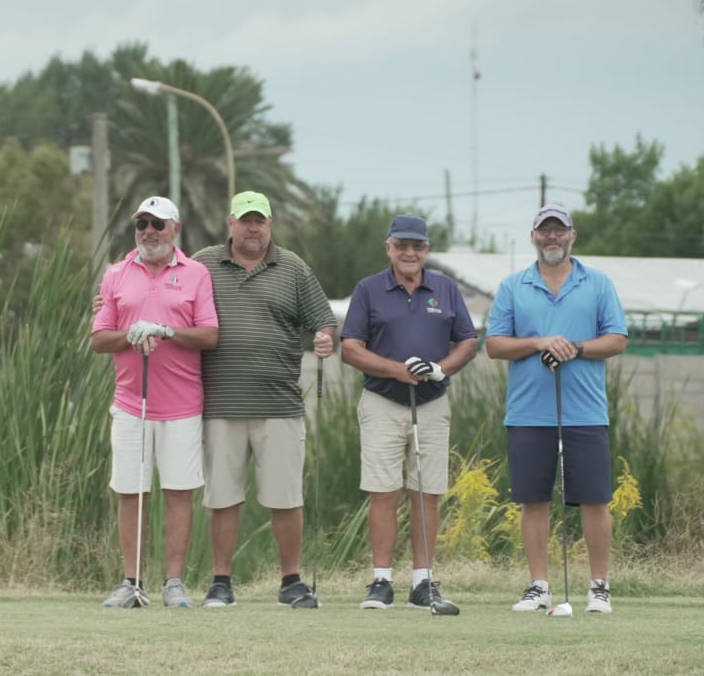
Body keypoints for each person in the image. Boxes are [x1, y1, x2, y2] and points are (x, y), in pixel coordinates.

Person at [191, 190, 336, 608]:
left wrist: (325, 337)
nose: (252, 228)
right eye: (245, 220)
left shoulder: (293, 268)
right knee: (223, 497)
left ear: (270, 224)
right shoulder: (202, 264)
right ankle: (221, 582)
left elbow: (323, 320)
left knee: (285, 497)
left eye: (260, 221)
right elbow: (168, 296)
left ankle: (291, 581)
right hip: (220, 403)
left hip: (279, 404)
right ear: (230, 223)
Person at [484, 204, 628, 614]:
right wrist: (539, 342)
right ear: (533, 237)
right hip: (528, 412)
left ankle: (599, 587)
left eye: (559, 230)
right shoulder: (513, 286)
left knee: (595, 499)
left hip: (585, 411)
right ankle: (540, 586)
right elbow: (494, 344)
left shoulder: (598, 283)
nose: (552, 237)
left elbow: (617, 339)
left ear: (572, 236)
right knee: (534, 501)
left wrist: (575, 348)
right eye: (544, 231)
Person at [340, 214, 478, 611]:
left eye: (417, 246)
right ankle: (382, 581)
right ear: (389, 247)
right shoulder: (369, 289)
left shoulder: (446, 289)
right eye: (401, 245)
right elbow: (350, 348)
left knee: (426, 492)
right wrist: (396, 370)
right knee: (384, 491)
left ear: (427, 249)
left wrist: (440, 369)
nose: (409, 253)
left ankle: (423, 583)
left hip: (432, 402)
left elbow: (468, 342)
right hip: (382, 401)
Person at [91, 196, 219, 608]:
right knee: (132, 492)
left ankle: (174, 583)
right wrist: (129, 335)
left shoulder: (196, 274)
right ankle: (132, 582)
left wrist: (165, 330)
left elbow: (209, 334)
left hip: (182, 404)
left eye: (157, 224)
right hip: (131, 403)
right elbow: (99, 339)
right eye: (142, 223)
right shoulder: (116, 274)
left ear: (175, 229)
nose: (149, 231)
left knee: (178, 492)